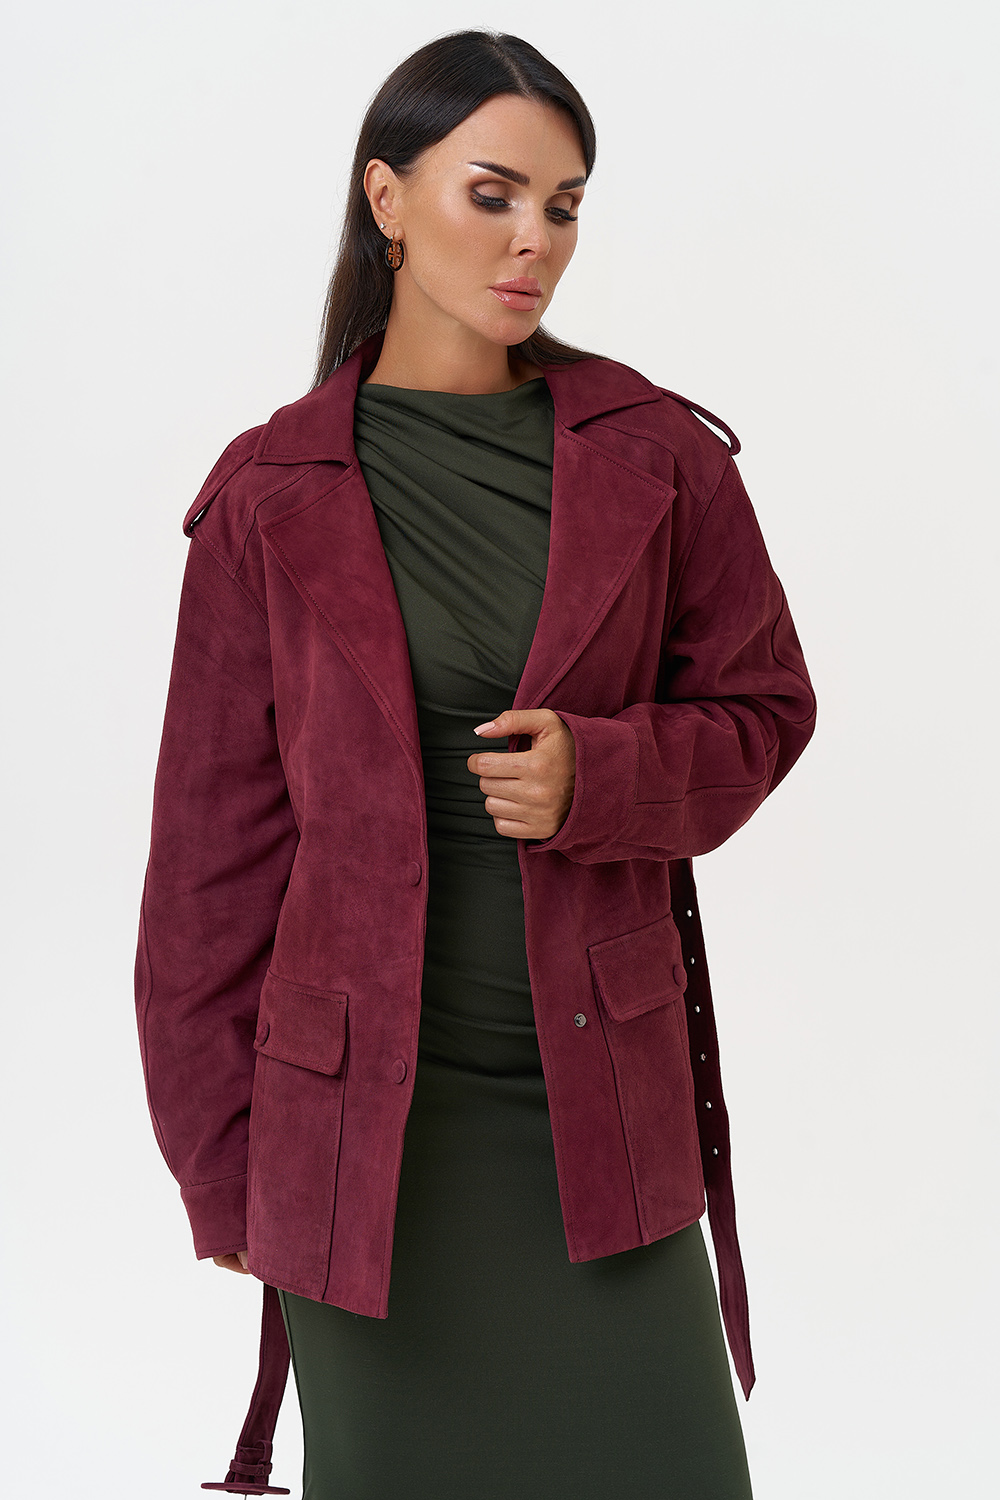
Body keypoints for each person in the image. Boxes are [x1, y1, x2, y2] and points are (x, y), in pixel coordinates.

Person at [134, 28, 816, 1500]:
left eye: (563, 207)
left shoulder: (658, 455)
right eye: (492, 194)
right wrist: (222, 1166)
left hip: (603, 1113)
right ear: (386, 198)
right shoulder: (270, 495)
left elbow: (766, 708)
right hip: (363, 1142)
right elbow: (208, 866)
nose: (534, 242)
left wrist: (605, 776)